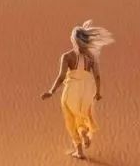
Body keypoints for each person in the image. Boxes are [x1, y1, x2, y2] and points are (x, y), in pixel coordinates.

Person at [41, 20, 114, 158]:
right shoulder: (92, 58)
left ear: (73, 40)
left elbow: (61, 77)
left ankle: (79, 150)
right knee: (83, 115)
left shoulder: (67, 56)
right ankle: (83, 132)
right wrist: (98, 92)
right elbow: (97, 76)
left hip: (71, 91)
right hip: (87, 91)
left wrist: (51, 91)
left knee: (70, 117)